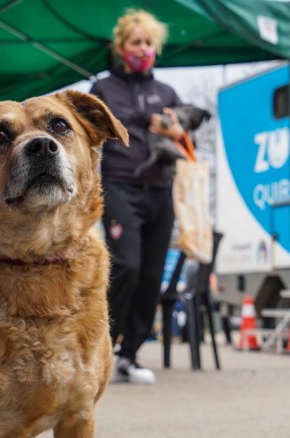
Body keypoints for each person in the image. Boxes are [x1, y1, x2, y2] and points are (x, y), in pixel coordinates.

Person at [90, 9, 192, 385]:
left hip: (160, 189)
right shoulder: (103, 89)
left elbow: (187, 143)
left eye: (149, 43)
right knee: (126, 265)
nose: (143, 48)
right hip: (119, 185)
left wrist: (176, 130)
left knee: (151, 276)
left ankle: (129, 354)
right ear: (121, 47)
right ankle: (101, 341)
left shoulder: (167, 93)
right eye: (136, 42)